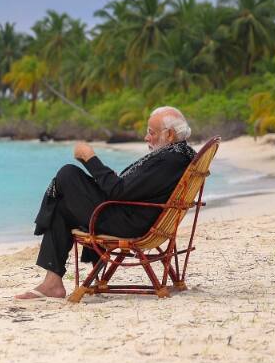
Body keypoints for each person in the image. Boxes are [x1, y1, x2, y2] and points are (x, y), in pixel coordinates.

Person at [15, 106, 197, 301]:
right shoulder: (178, 155)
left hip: (129, 223)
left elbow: (119, 191)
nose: (146, 138)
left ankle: (53, 277)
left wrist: (89, 158)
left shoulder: (170, 160)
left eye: (151, 133)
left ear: (169, 135)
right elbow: (129, 188)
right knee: (61, 206)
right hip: (132, 216)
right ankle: (53, 283)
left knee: (67, 174)